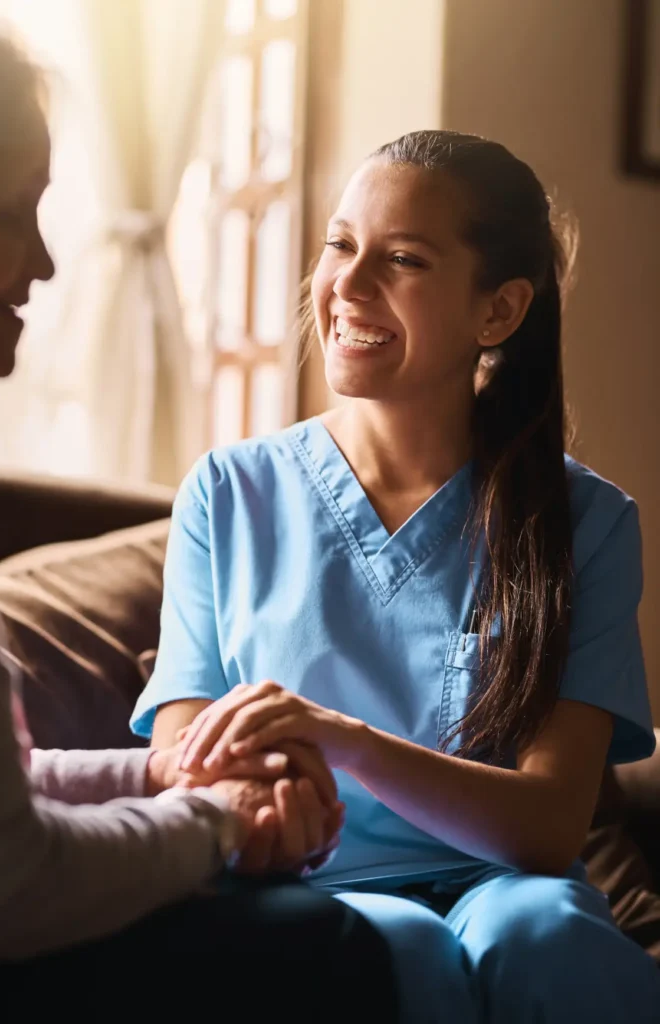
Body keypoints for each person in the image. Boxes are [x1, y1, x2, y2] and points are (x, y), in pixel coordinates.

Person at [133, 128, 660, 1022]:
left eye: (403, 258)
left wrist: (344, 740)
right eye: (341, 244)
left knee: (548, 938)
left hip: (507, 888)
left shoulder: (589, 525)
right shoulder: (227, 495)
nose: (348, 283)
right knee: (397, 949)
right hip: (307, 892)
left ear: (498, 312)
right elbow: (180, 766)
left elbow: (548, 828)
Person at [0, 23, 398, 1024]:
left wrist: (155, 772)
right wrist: (214, 819)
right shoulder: (228, 494)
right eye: (10, 215)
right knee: (323, 951)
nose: (46, 261)